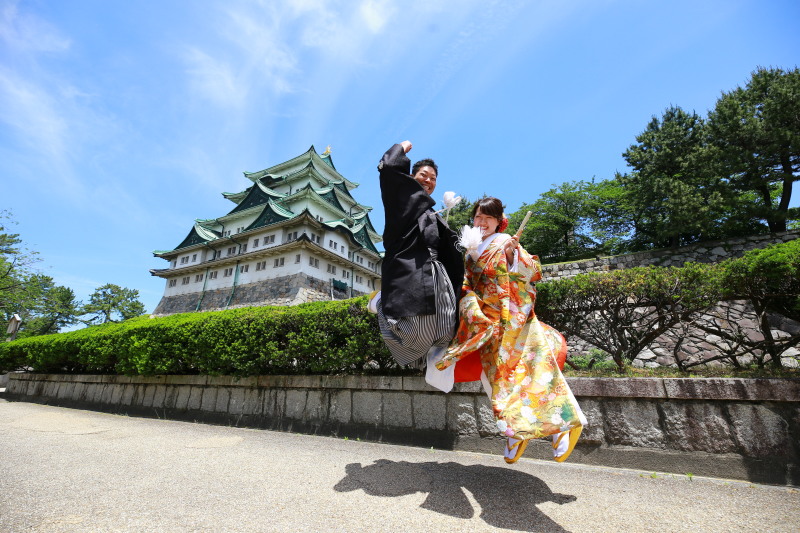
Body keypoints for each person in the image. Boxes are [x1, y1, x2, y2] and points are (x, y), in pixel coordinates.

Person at [429, 197, 586, 464]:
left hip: (509, 318)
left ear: (499, 221)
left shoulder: (504, 242)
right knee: (496, 380)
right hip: (483, 320)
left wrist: (513, 255)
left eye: (488, 218)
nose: (482, 223)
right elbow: (465, 283)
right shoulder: (470, 248)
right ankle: (516, 431)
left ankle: (567, 423)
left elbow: (532, 272)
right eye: (478, 217)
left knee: (534, 371)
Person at [368, 141, 465, 366]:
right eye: (423, 175)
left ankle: (430, 365)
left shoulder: (433, 212)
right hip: (409, 268)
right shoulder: (401, 201)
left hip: (436, 274)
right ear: (412, 177)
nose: (428, 180)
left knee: (445, 328)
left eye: (433, 178)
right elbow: (390, 170)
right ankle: (381, 303)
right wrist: (400, 148)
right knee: (416, 332)